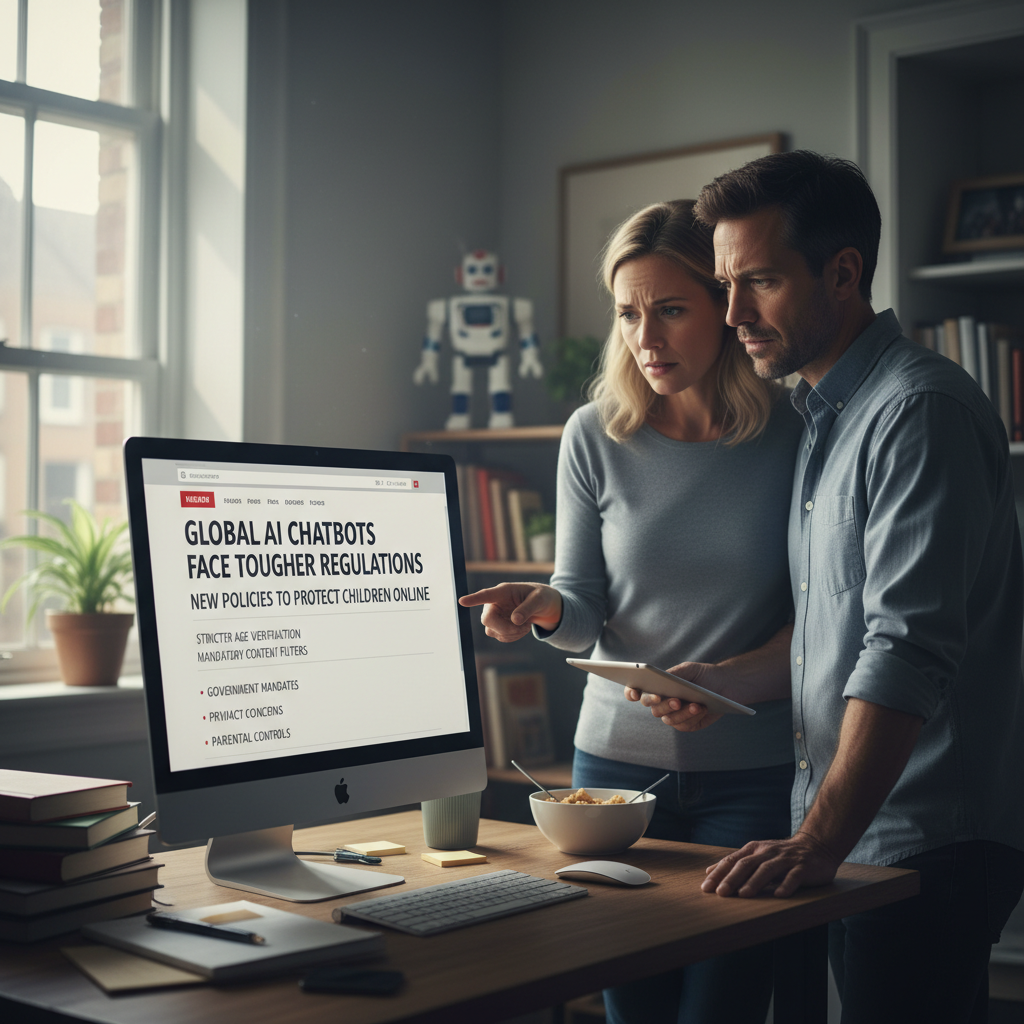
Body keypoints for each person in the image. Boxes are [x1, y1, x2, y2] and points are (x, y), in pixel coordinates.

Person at [679, 150, 1024, 1024]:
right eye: (724, 285)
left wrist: (816, 842)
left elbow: (906, 650)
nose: (733, 314)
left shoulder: (918, 412)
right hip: (851, 837)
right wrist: (715, 681)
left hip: (923, 844)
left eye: (759, 282)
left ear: (842, 273)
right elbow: (831, 636)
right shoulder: (824, 417)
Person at [460, 199, 803, 1024]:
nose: (645, 338)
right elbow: (582, 602)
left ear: (724, 306)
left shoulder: (796, 431)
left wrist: (730, 681)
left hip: (751, 777)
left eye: (670, 310)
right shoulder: (594, 434)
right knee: (632, 1013)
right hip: (612, 775)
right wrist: (543, 607)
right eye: (627, 314)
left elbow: (817, 615)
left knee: (721, 1010)